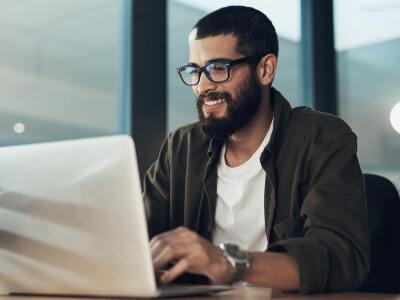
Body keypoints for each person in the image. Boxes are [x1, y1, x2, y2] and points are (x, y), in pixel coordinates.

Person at [143, 5, 370, 294]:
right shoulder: (181, 148)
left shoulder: (321, 138)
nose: (202, 86)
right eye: (195, 70)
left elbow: (340, 257)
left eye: (217, 68)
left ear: (265, 69)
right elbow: (137, 238)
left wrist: (229, 262)